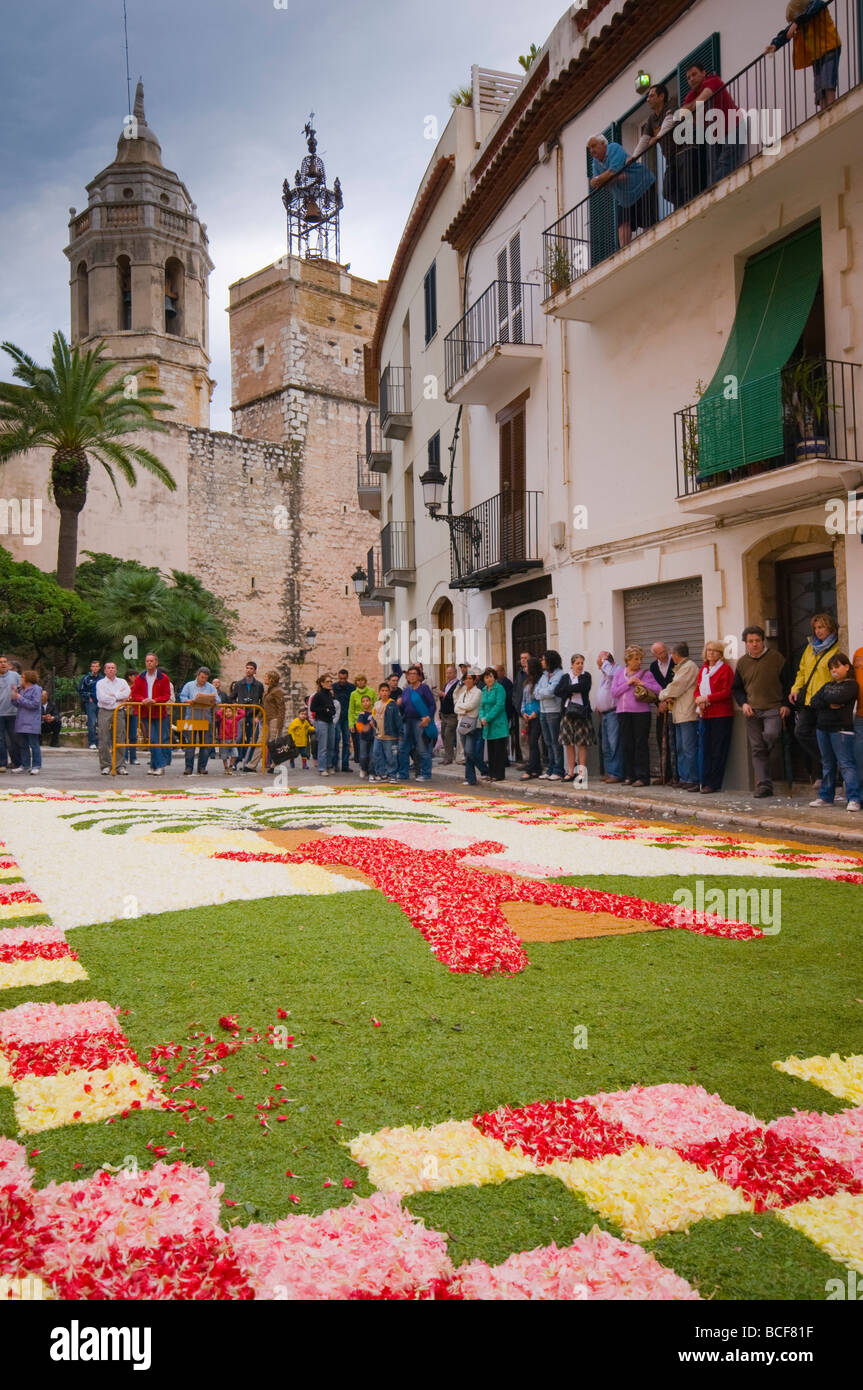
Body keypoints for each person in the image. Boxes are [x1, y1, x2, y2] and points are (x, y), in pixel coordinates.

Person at [731, 627, 791, 798]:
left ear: (763, 640)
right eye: (750, 641)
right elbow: (737, 688)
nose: (754, 644)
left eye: (757, 640)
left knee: (771, 735)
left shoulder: (776, 658)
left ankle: (766, 757)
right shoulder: (742, 663)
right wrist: (743, 704)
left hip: (773, 708)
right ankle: (764, 785)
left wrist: (786, 704)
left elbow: (788, 683)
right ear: (746, 643)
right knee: (756, 748)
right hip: (752, 711)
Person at [789, 613, 840, 782]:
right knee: (801, 732)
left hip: (826, 701)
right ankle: (829, 761)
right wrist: (795, 688)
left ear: (830, 628)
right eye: (816, 628)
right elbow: (802, 671)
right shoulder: (810, 648)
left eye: (822, 627)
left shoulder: (837, 648)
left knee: (824, 735)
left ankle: (826, 775)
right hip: (810, 700)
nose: (818, 631)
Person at [765, 1, 842, 110]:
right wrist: (775, 45)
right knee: (819, 88)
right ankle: (824, 111)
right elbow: (786, 33)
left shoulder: (816, 5)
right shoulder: (800, 22)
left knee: (828, 82)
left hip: (830, 48)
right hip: (817, 55)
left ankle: (831, 109)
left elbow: (815, 7)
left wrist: (797, 22)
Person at [809, 653, 860, 811]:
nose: (834, 671)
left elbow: (840, 698)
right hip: (822, 728)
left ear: (846, 666)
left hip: (841, 730)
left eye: (837, 666)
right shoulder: (827, 685)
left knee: (846, 764)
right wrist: (829, 701)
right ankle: (826, 796)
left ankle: (854, 798)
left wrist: (828, 700)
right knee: (827, 764)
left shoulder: (851, 685)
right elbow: (814, 701)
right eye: (831, 668)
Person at [587, 133, 657, 250]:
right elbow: (594, 184)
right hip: (624, 198)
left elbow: (612, 172)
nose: (591, 151)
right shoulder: (595, 163)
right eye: (590, 148)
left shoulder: (614, 148)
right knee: (622, 223)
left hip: (642, 186)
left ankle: (651, 247)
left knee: (647, 221)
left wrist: (608, 178)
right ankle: (624, 252)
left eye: (594, 146)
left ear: (603, 144)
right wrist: (608, 178)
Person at [682, 59, 743, 186]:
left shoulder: (713, 81)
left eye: (694, 74)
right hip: (716, 135)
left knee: (724, 164)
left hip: (734, 127)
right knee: (714, 171)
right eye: (688, 78)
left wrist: (692, 108)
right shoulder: (691, 95)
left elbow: (701, 101)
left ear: (703, 73)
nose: (691, 79)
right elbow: (684, 116)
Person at [611, 646, 661, 786]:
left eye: (640, 659)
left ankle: (642, 777)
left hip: (641, 713)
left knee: (641, 744)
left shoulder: (646, 674)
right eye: (636, 659)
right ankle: (630, 775)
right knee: (627, 744)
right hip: (623, 712)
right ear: (628, 660)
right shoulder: (619, 674)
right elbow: (614, 692)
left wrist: (642, 683)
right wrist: (628, 683)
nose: (639, 662)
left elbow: (659, 689)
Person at [692, 640, 735, 794]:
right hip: (705, 714)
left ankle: (714, 783)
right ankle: (703, 780)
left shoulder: (725, 670)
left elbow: (726, 692)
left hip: (721, 714)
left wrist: (707, 698)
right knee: (705, 749)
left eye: (715, 651)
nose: (711, 653)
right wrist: (698, 698)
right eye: (709, 650)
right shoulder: (703, 670)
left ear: (720, 653)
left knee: (718, 750)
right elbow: (697, 689)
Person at [628, 83, 681, 207]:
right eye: (647, 97)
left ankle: (683, 206)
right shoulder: (651, 119)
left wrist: (658, 137)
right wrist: (634, 156)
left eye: (651, 96)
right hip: (670, 158)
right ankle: (681, 206)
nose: (648, 99)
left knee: (684, 185)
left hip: (681, 152)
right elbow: (645, 139)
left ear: (661, 96)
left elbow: (670, 121)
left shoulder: (671, 105)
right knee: (667, 191)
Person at [659, 643, 700, 790]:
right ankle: (684, 777)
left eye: (672, 655)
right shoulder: (682, 667)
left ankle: (693, 778)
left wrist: (662, 695)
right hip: (680, 713)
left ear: (676, 655)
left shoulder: (689, 667)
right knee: (681, 748)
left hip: (688, 713)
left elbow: (676, 687)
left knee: (688, 748)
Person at [128, 653, 172, 777]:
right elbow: (134, 693)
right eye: (147, 661)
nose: (149, 663)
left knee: (156, 739)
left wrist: (155, 700)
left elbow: (166, 695)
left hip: (159, 712)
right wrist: (143, 699)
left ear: (156, 662)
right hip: (145, 712)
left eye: (151, 661)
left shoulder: (163, 678)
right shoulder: (140, 677)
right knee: (152, 739)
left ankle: (158, 766)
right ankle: (156, 765)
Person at [558, 654, 594, 782]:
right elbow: (558, 691)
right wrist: (571, 689)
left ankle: (581, 774)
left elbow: (584, 687)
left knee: (581, 744)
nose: (580, 665)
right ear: (572, 664)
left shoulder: (586, 676)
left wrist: (567, 689)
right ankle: (570, 772)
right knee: (568, 743)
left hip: (582, 713)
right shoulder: (566, 677)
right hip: (567, 713)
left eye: (581, 663)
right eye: (577, 663)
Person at [397, 665, 436, 781]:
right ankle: (403, 773)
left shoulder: (424, 688)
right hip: (407, 721)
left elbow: (432, 704)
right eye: (410, 674)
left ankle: (426, 774)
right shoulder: (406, 690)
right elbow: (403, 708)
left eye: (414, 674)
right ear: (407, 677)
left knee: (422, 749)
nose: (412, 676)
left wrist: (428, 717)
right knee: (403, 749)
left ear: (419, 676)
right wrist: (399, 704)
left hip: (420, 722)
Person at [178, 667, 217, 776]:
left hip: (205, 719)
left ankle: (202, 767)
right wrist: (189, 700)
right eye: (202, 677)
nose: (203, 680)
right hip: (191, 718)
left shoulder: (211, 687)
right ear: (197, 675)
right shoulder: (189, 685)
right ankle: (188, 768)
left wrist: (213, 701)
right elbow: (182, 697)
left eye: (205, 678)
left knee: (205, 744)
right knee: (190, 744)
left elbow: (217, 700)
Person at [95, 661, 131, 776]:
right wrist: (118, 696)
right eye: (108, 668)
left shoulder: (122, 682)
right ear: (105, 670)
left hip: (119, 711)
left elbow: (127, 694)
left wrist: (112, 695)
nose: (111, 669)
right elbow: (102, 698)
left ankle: (120, 765)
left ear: (116, 670)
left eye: (113, 668)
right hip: (104, 711)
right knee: (104, 739)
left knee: (120, 738)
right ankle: (106, 765)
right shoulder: (100, 683)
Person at [535, 650, 566, 780]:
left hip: (554, 711)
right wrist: (543, 692)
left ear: (550, 660)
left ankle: (558, 770)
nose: (541, 662)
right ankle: (550, 768)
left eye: (543, 659)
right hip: (543, 711)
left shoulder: (560, 675)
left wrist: (543, 692)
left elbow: (552, 691)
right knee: (547, 742)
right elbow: (536, 692)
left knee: (555, 742)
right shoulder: (544, 675)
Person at [648, 642, 676, 783]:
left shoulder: (675, 661)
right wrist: (659, 704)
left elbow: (676, 683)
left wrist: (668, 701)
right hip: (661, 708)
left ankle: (675, 776)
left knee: (674, 741)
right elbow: (652, 688)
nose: (663, 655)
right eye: (659, 653)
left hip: (675, 706)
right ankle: (664, 774)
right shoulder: (653, 667)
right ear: (654, 655)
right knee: (661, 739)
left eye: (664, 651)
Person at [595, 652, 623, 783]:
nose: (598, 664)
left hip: (613, 712)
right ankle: (609, 772)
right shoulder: (603, 674)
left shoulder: (617, 669)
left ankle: (616, 773)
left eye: (599, 660)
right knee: (605, 745)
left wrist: (605, 663)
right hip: (604, 713)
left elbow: (613, 676)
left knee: (614, 744)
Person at [10, 670, 44, 774]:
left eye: (22, 678)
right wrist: (14, 695)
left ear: (28, 679)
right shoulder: (21, 690)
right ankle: (25, 765)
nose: (21, 680)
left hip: (32, 722)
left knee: (34, 744)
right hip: (21, 721)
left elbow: (34, 704)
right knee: (23, 744)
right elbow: (17, 704)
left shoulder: (36, 689)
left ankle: (36, 766)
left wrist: (20, 698)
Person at [478, 668, 509, 782]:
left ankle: (499, 774)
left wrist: (488, 717)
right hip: (487, 724)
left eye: (491, 676)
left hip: (498, 723)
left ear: (494, 677)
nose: (489, 679)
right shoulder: (484, 690)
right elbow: (481, 706)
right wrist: (482, 717)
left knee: (499, 750)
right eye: (486, 677)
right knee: (491, 750)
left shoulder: (499, 688)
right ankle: (491, 773)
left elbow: (499, 706)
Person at [455, 671, 485, 787]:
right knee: (467, 753)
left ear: (474, 680)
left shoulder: (477, 692)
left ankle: (483, 770)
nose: (467, 681)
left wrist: (463, 709)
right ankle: (471, 778)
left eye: (469, 679)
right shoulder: (463, 693)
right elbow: (456, 708)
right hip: (462, 724)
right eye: (465, 679)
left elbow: (471, 706)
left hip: (473, 725)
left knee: (469, 751)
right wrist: (464, 710)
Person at [235, 662, 265, 769]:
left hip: (254, 715)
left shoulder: (259, 685)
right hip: (242, 715)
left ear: (255, 671)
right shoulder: (238, 684)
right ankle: (236, 761)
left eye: (251, 668)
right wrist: (237, 707)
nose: (248, 670)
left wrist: (258, 716)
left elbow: (263, 701)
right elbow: (232, 697)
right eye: (247, 668)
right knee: (239, 738)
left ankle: (248, 763)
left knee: (253, 740)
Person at [518, 656, 543, 780]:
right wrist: (523, 712)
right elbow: (524, 699)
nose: (525, 668)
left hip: (536, 716)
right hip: (527, 716)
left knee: (533, 742)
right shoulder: (527, 682)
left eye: (527, 666)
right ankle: (536, 768)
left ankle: (530, 769)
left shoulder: (539, 682)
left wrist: (535, 713)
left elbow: (539, 700)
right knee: (530, 742)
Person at [372, 681, 402, 780]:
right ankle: (381, 773)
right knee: (377, 754)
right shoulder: (376, 704)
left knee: (390, 756)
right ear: (379, 692)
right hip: (378, 735)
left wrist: (400, 734)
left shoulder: (392, 704)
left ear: (389, 693)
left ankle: (392, 774)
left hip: (390, 735)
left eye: (386, 691)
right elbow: (373, 716)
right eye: (382, 691)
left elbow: (398, 720)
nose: (384, 693)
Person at [310, 673, 337, 775]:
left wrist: (331, 711)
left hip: (330, 721)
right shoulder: (318, 695)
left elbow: (332, 707)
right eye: (327, 682)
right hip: (321, 721)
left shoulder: (330, 694)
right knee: (323, 746)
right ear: (322, 683)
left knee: (331, 745)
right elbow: (313, 708)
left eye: (331, 681)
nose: (330, 683)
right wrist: (324, 710)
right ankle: (322, 768)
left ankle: (329, 765)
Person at [0, 654, 22, 771]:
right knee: (0, 739)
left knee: (14, 739)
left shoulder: (15, 676)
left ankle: (17, 762)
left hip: (13, 713)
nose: (3, 664)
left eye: (5, 662)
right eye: (0, 662)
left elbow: (23, 688)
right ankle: (2, 764)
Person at [214, 682, 242, 775]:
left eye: (230, 711)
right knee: (224, 755)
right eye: (227, 711)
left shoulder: (235, 718)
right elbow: (217, 714)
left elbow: (242, 714)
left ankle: (231, 766)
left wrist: (237, 708)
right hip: (224, 739)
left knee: (234, 754)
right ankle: (225, 767)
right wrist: (222, 708)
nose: (228, 713)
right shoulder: (222, 718)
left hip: (233, 739)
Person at [331, 669, 356, 772]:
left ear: (347, 677)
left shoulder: (352, 688)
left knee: (346, 742)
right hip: (337, 718)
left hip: (347, 718)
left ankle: (345, 765)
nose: (342, 680)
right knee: (336, 740)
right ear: (338, 677)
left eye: (344, 679)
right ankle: (335, 764)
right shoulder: (333, 687)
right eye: (341, 678)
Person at [348, 674, 376, 762]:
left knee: (371, 744)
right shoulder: (353, 694)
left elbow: (376, 706)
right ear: (356, 682)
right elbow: (351, 710)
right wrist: (351, 724)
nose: (360, 682)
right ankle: (362, 766)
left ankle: (370, 765)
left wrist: (374, 719)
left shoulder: (371, 691)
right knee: (359, 745)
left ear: (365, 681)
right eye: (358, 680)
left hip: (370, 721)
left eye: (362, 680)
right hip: (358, 722)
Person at [437, 665, 460, 765]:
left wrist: (444, 695)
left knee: (448, 735)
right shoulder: (447, 684)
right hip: (444, 714)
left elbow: (456, 699)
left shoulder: (458, 684)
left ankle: (449, 758)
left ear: (455, 673)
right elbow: (444, 699)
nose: (448, 675)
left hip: (452, 714)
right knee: (443, 735)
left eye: (450, 673)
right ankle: (447, 756)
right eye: (447, 673)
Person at [511, 651, 531, 765]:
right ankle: (526, 760)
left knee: (533, 739)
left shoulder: (533, 674)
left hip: (532, 712)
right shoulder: (519, 674)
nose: (523, 660)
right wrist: (516, 705)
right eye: (521, 658)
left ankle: (535, 761)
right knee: (523, 737)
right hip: (521, 712)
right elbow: (515, 691)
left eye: (525, 658)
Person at [78, 659, 102, 751]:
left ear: (99, 668)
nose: (95, 668)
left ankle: (101, 743)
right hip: (91, 703)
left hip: (101, 703)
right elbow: (80, 690)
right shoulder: (86, 678)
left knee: (101, 723)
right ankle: (92, 743)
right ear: (91, 667)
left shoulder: (102, 678)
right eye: (93, 666)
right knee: (91, 723)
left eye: (97, 666)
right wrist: (88, 698)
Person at [355, 694, 376, 779]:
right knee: (363, 756)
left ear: (370, 702)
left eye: (367, 701)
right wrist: (365, 727)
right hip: (364, 738)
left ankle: (371, 772)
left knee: (372, 756)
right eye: (363, 701)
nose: (365, 703)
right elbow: (359, 726)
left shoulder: (374, 713)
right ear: (361, 704)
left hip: (374, 737)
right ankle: (363, 769)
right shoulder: (362, 714)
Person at [123, 670, 139, 765]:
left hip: (134, 712)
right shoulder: (123, 685)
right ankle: (124, 757)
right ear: (130, 676)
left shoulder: (137, 686)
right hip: (123, 711)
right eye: (135, 676)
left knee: (133, 735)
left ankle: (133, 757)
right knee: (123, 735)